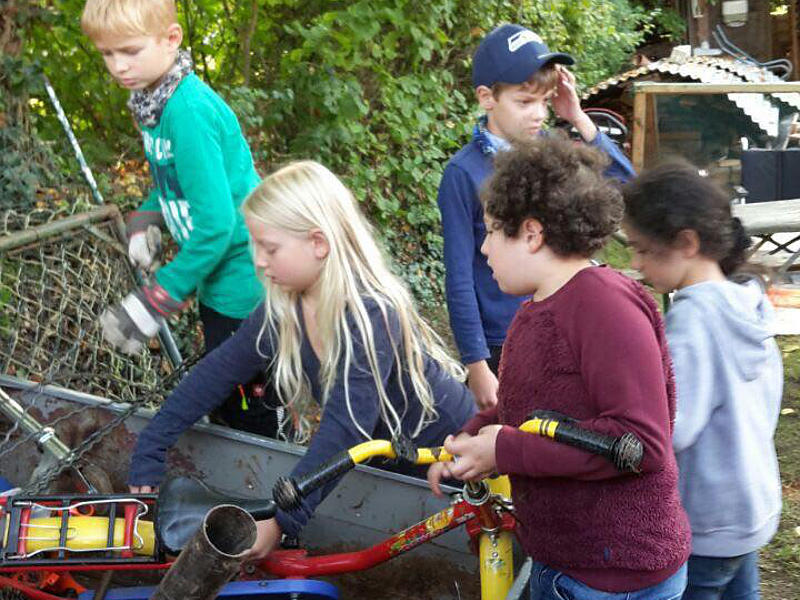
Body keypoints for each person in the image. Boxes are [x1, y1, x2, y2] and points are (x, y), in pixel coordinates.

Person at [128, 160, 476, 558]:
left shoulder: (369, 314)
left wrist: (282, 522)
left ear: (318, 243)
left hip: (449, 458)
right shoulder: (285, 309)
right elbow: (217, 372)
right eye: (255, 245)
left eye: (269, 247)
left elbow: (346, 428)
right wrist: (152, 444)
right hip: (387, 461)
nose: (257, 260)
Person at [428, 136, 691, 599]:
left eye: (490, 232)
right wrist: (472, 439)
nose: (484, 249)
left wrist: (505, 451)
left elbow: (639, 445)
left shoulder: (603, 306)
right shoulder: (536, 309)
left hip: (613, 576)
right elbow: (525, 407)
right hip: (567, 558)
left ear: (531, 233)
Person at [81, 0, 276, 434]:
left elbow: (217, 225)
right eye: (107, 54)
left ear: (171, 39)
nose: (118, 66)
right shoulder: (155, 104)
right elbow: (178, 181)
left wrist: (158, 299)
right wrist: (148, 216)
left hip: (246, 282)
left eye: (130, 51)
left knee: (245, 402)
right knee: (226, 390)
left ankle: (264, 485)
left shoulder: (187, 111)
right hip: (216, 281)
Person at [437, 23, 635, 409]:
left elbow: (627, 190)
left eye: (545, 102)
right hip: (503, 341)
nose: (538, 115)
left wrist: (577, 117)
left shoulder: (555, 153)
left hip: (566, 327)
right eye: (525, 102)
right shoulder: (463, 174)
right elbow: (459, 276)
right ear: (486, 98)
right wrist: (476, 363)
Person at [623, 162, 782, 600]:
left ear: (686, 243)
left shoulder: (692, 318)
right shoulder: (747, 298)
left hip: (707, 520)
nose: (635, 264)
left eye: (641, 250)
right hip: (753, 506)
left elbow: (673, 426)